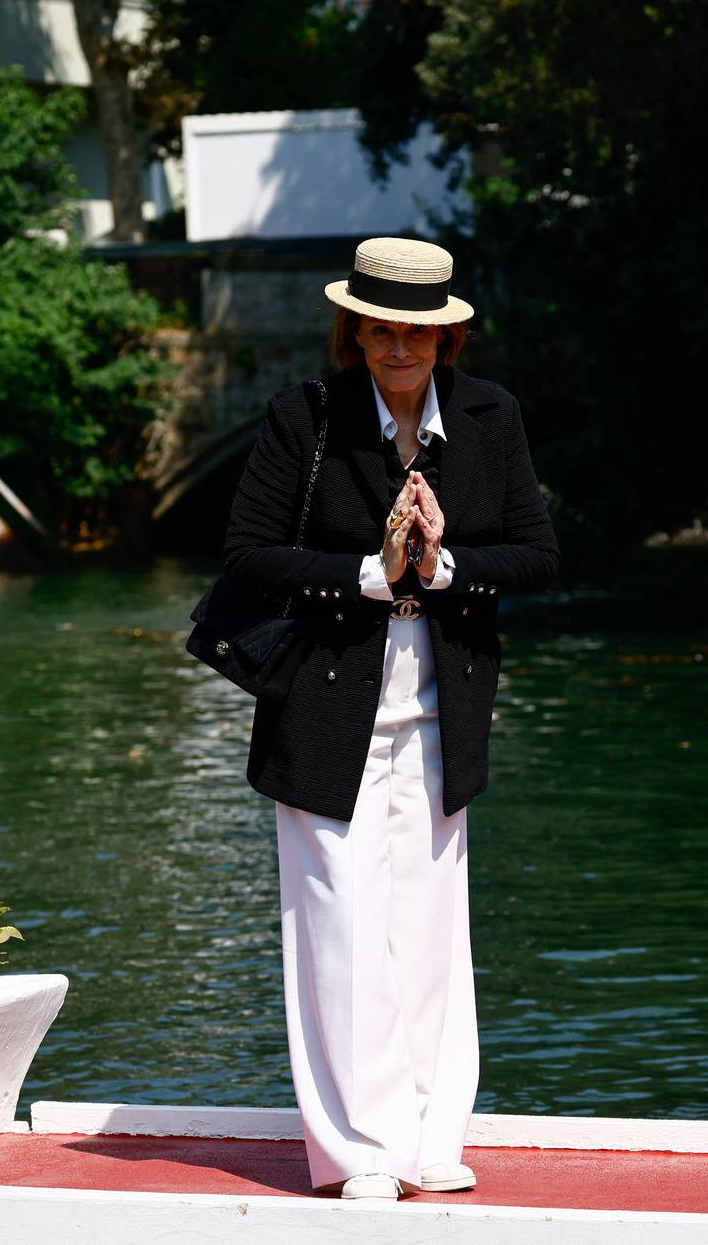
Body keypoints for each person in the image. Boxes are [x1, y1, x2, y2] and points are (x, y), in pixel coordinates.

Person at [220, 236, 560, 1200]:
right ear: (355, 329)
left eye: (416, 330)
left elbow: (538, 555)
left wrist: (446, 565)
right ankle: (359, 1151)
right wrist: (370, 573)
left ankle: (428, 1135)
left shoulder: (491, 418)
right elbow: (247, 554)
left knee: (429, 926)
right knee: (337, 923)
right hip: (324, 704)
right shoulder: (306, 417)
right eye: (379, 328)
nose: (397, 347)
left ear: (444, 336)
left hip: (443, 703)